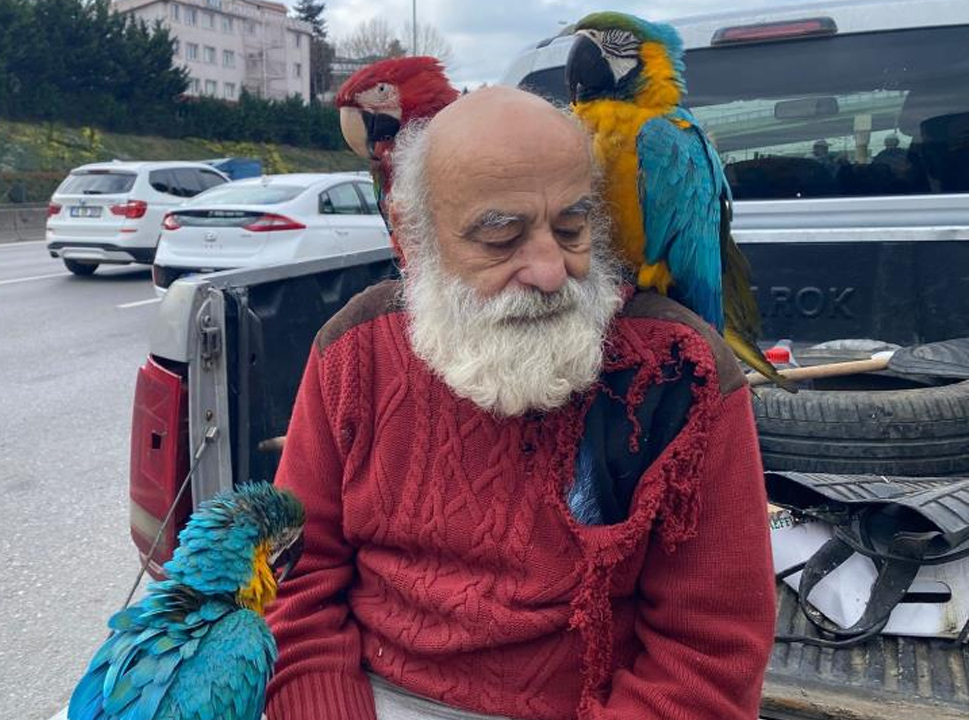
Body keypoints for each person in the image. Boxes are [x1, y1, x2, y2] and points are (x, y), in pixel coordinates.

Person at [265, 87, 775, 720]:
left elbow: (707, 654)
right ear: (413, 238)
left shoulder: (679, 373)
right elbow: (293, 581)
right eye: (501, 237)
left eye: (571, 227)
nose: (551, 270)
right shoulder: (355, 350)